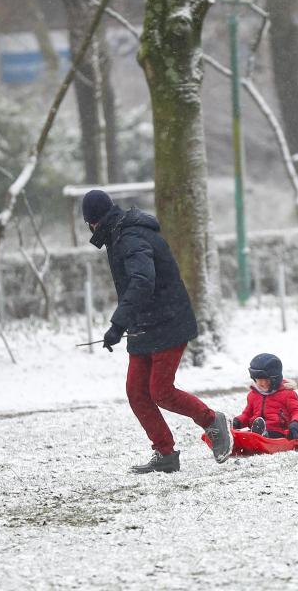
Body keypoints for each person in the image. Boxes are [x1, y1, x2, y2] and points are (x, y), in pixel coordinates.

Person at [82, 189, 232, 474]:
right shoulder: (118, 234)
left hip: (168, 321)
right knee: (137, 392)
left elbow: (142, 281)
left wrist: (117, 324)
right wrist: (126, 322)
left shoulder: (130, 237)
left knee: (160, 391)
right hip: (144, 326)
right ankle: (165, 454)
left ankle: (212, 421)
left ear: (93, 222)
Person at [232, 353, 298, 440]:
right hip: (254, 431)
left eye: (267, 380)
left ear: (275, 379)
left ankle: (261, 435)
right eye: (259, 380)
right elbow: (247, 415)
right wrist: (237, 422)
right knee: (243, 436)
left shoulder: (287, 394)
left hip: (279, 432)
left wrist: (295, 424)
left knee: (266, 434)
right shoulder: (253, 395)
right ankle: (226, 437)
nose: (263, 383)